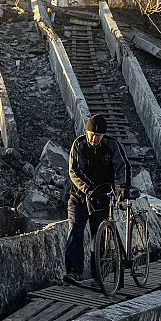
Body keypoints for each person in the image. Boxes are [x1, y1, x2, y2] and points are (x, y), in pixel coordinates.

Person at [64, 113, 131, 282]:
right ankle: (74, 272)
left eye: (98, 136)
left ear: (103, 136)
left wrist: (124, 186)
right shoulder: (79, 144)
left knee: (99, 237)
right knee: (76, 232)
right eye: (92, 135)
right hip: (79, 197)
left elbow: (123, 166)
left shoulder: (112, 145)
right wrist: (88, 189)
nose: (95, 139)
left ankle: (98, 275)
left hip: (102, 198)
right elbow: (74, 171)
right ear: (87, 133)